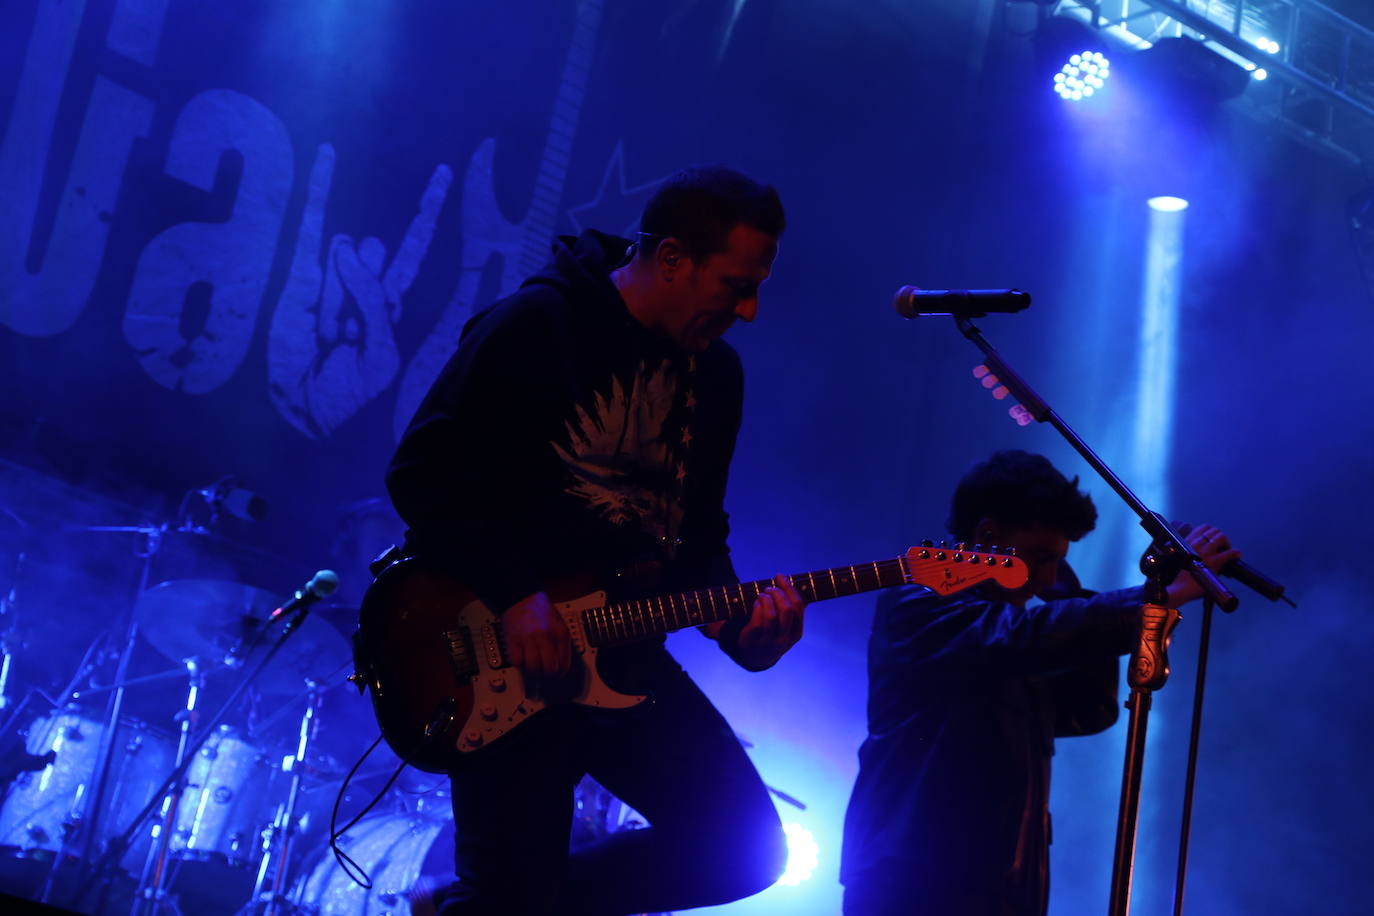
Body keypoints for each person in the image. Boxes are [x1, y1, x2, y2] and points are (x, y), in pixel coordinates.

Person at [384, 166, 805, 914]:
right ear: (672, 258)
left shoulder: (717, 376)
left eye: (759, 285)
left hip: (624, 652)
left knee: (743, 847)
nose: (750, 308)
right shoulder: (539, 325)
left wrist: (742, 630)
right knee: (516, 891)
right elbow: (422, 473)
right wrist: (518, 595)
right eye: (736, 283)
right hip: (508, 659)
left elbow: (697, 535)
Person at [839, 450, 1241, 915]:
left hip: (1006, 885)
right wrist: (1158, 597)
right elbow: (1019, 639)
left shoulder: (1015, 632)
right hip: (913, 879)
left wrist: (1140, 589)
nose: (1047, 575)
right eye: (1040, 558)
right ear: (987, 536)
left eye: (1058, 561)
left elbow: (1089, 708)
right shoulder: (918, 603)